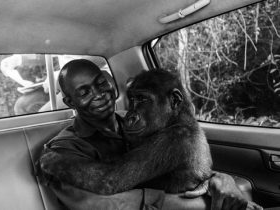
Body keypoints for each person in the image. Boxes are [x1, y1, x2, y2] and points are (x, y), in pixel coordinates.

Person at [37, 59, 261, 210]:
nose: (99, 94)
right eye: (84, 92)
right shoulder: (63, 148)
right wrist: (169, 202)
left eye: (100, 83)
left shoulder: (139, 122)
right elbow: (91, 202)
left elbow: (178, 168)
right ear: (69, 102)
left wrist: (218, 179)